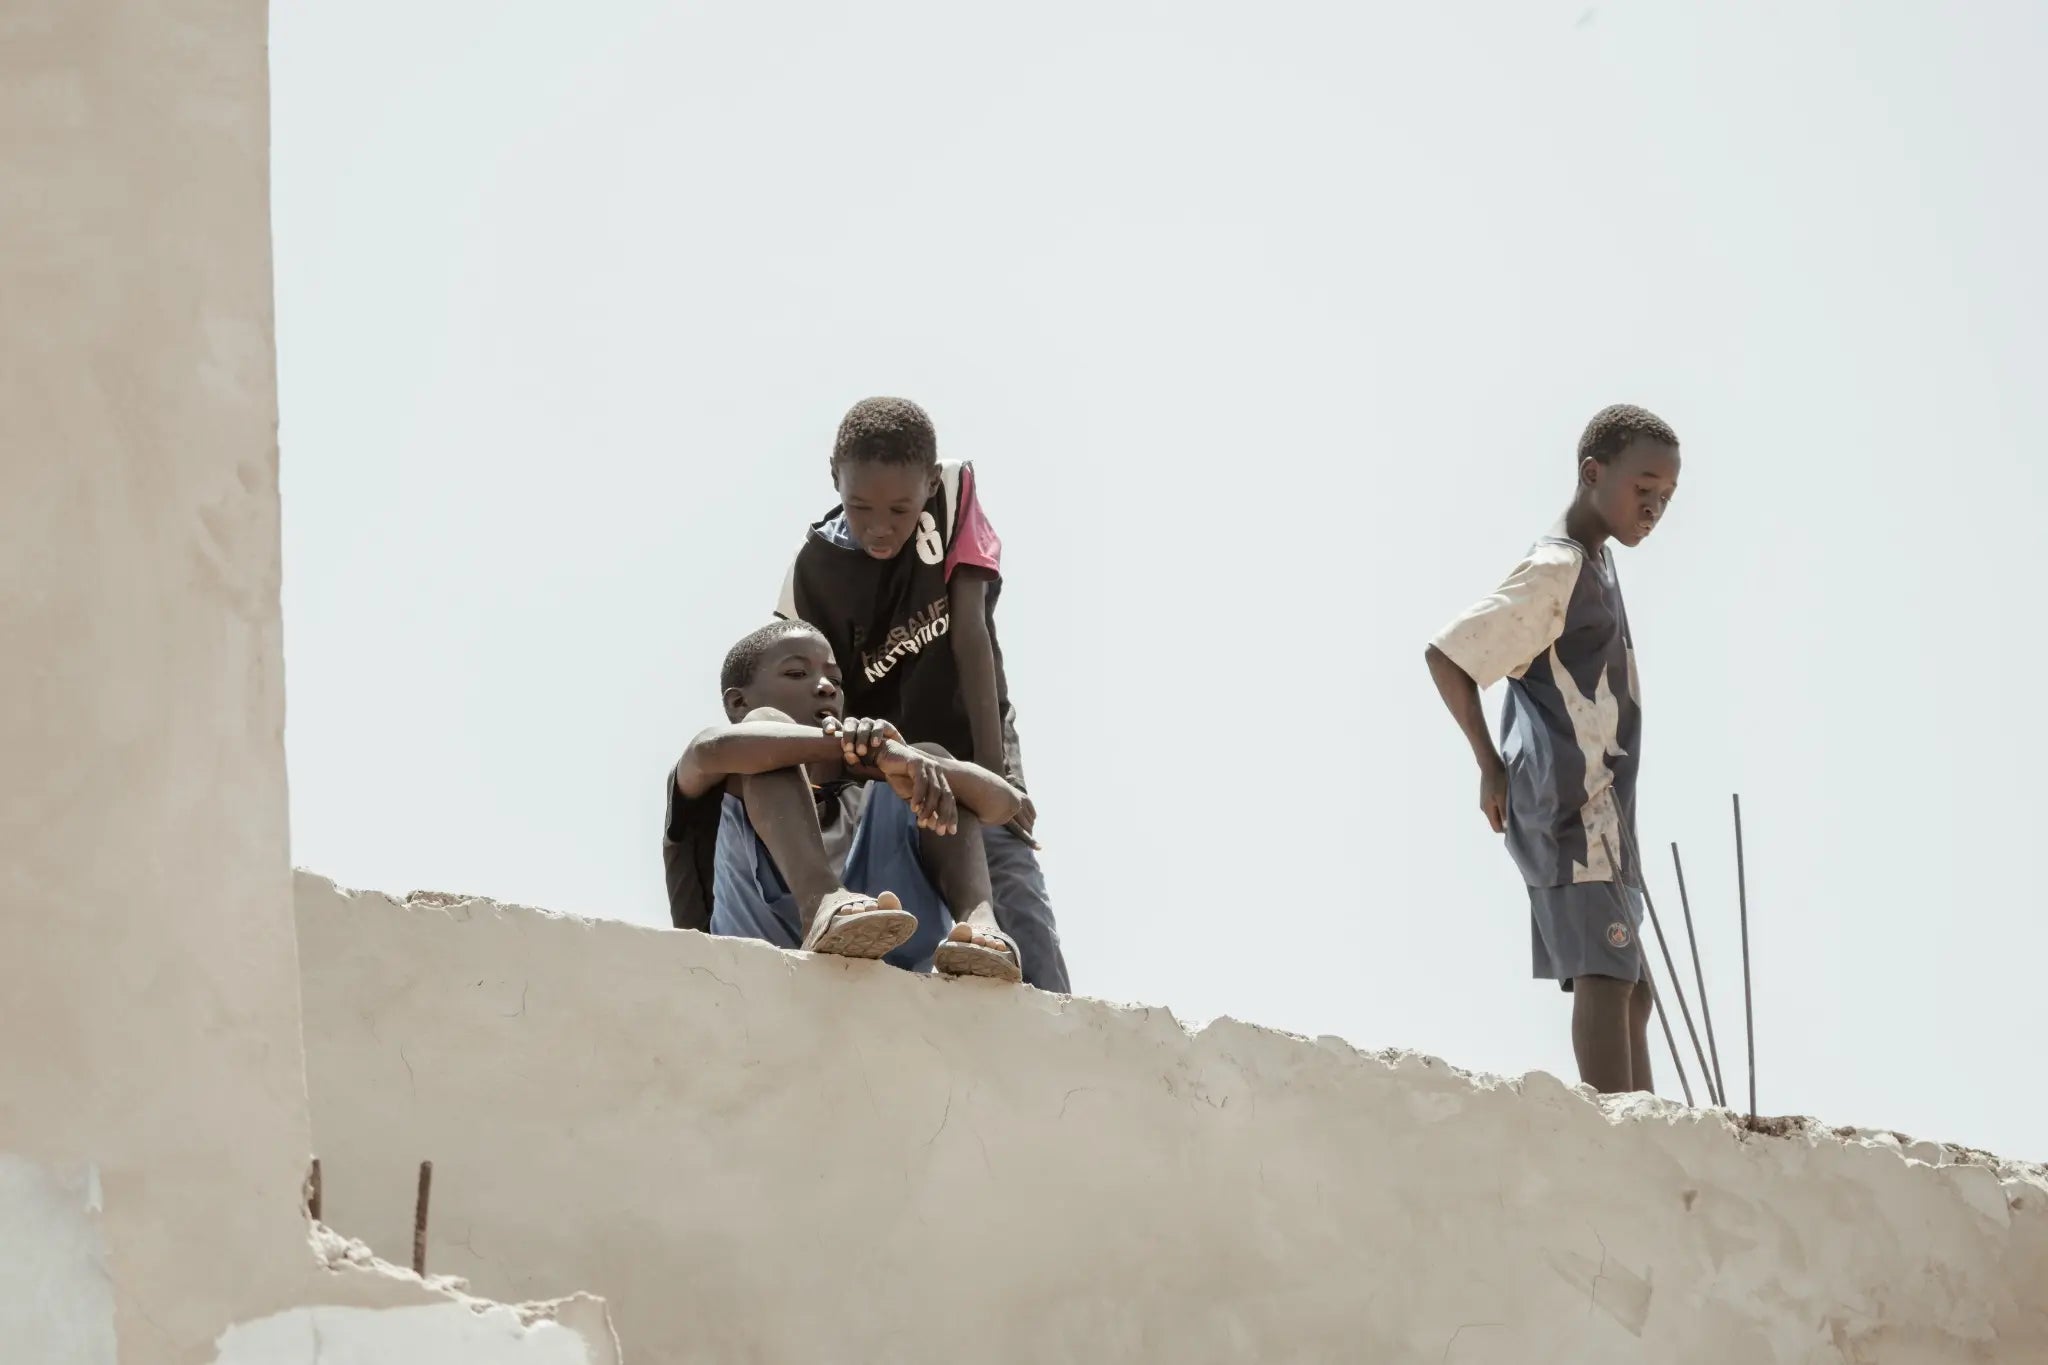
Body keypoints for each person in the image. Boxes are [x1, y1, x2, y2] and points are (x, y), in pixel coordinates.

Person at [1423, 404, 1682, 1095]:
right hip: (1573, 814)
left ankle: (1647, 1128)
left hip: (1608, 816)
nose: (1654, 508)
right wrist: (1489, 764)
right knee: (1605, 973)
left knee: (1633, 988)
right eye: (1643, 488)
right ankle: (1617, 1132)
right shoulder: (1557, 568)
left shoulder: (1600, 562)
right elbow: (1450, 656)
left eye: (1666, 497)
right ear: (1593, 474)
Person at [770, 396, 1070, 991]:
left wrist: (995, 773)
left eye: (900, 510)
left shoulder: (952, 490)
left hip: (973, 741)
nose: (880, 526)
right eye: (860, 507)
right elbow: (818, 705)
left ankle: (1062, 1023)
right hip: (888, 776)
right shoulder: (810, 576)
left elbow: (971, 633)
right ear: (834, 478)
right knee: (908, 925)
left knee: (1017, 896)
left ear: (928, 484)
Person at [662, 619, 1028, 980]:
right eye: (796, 673)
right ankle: (821, 903)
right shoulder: (716, 779)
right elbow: (708, 749)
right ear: (737, 702)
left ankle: (978, 928)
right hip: (754, 955)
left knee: (932, 769)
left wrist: (899, 760)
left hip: (887, 947)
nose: (825, 688)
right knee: (765, 742)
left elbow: (1004, 804)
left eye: (835, 681)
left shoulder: (864, 791)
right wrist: (868, 750)